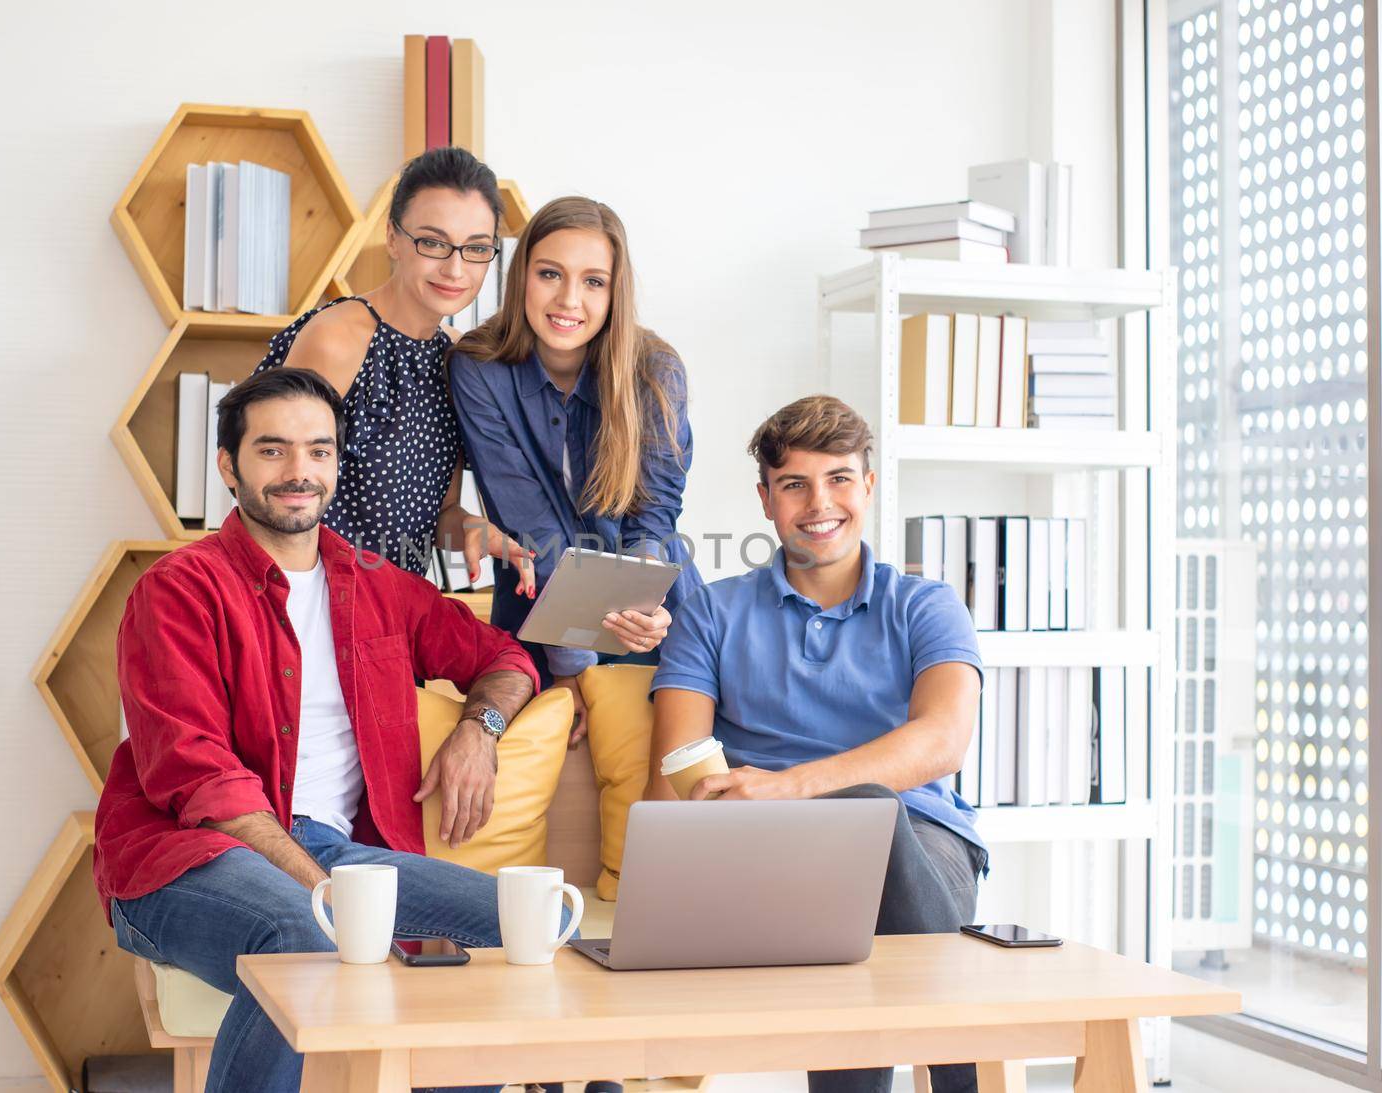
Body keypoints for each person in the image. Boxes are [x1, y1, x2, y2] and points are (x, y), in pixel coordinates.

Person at [94, 367, 539, 1093]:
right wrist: (326, 891)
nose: (300, 471)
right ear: (227, 466)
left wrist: (478, 729)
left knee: (523, 925)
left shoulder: (379, 585)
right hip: (186, 858)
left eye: (319, 450)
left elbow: (505, 659)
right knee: (300, 933)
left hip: (340, 851)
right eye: (272, 450)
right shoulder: (177, 589)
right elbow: (197, 774)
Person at [645, 395, 988, 1093]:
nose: (818, 502)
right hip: (765, 852)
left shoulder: (926, 604)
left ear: (867, 485)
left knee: (871, 814)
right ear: (766, 499)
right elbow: (674, 770)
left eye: (838, 478)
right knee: (854, 832)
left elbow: (945, 739)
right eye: (795, 484)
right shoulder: (711, 610)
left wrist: (792, 784)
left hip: (921, 847)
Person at [449, 196, 702, 743]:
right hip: (541, 613)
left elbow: (652, 518)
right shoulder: (480, 368)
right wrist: (572, 669)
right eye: (549, 274)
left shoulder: (655, 371)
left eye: (593, 281)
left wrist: (645, 607)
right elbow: (531, 528)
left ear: (616, 292)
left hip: (651, 613)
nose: (569, 299)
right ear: (521, 278)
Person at [254, 145, 533, 591]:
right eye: (434, 242)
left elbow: (440, 515)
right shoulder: (338, 338)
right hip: (306, 602)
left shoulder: (456, 360)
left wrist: (473, 530)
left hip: (393, 609)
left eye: (476, 248)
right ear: (393, 238)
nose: (455, 268)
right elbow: (266, 485)